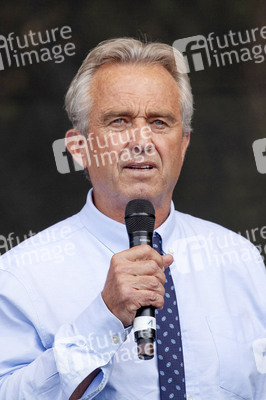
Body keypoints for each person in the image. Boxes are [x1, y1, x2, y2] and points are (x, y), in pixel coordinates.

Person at [0, 37, 266, 400]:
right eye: (119, 121)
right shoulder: (20, 274)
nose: (141, 140)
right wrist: (103, 317)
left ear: (183, 143)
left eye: (159, 122)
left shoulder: (241, 260)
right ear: (79, 147)